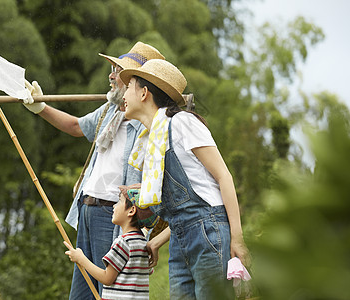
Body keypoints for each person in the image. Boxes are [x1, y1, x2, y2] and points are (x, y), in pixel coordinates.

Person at [23, 42, 165, 299]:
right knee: (82, 292)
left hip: (112, 213)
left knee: (109, 289)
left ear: (137, 84)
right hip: (87, 208)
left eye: (118, 71)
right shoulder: (110, 110)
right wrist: (40, 107)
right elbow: (77, 127)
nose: (111, 76)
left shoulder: (149, 124)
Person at [119, 59, 251, 299]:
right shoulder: (151, 141)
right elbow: (181, 214)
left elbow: (223, 177)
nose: (123, 92)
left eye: (129, 86)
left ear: (144, 93)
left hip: (209, 232)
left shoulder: (182, 123)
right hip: (181, 238)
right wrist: (158, 240)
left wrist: (238, 238)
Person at [64, 184, 154, 300]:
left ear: (131, 210)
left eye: (119, 201)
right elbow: (147, 271)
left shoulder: (123, 242)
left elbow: (107, 278)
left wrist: (81, 259)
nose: (114, 206)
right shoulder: (142, 243)